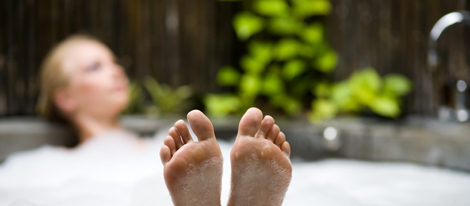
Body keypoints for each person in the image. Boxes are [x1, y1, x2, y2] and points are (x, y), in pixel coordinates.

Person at [36, 34, 293, 205]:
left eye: (115, 62)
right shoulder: (60, 168)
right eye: (95, 67)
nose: (116, 70)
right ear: (65, 97)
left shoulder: (158, 147)